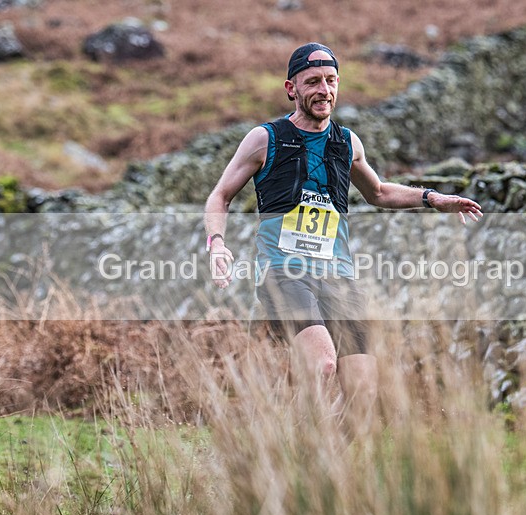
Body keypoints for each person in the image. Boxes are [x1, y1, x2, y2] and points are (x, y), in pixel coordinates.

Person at [204, 42, 482, 431]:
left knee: (363, 394)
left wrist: (433, 199)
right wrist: (217, 244)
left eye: (331, 81)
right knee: (322, 366)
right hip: (284, 272)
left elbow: (378, 192)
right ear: (291, 89)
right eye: (313, 82)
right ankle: (301, 449)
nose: (324, 90)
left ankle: (314, 459)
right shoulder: (265, 139)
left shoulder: (347, 143)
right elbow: (220, 196)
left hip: (338, 275)